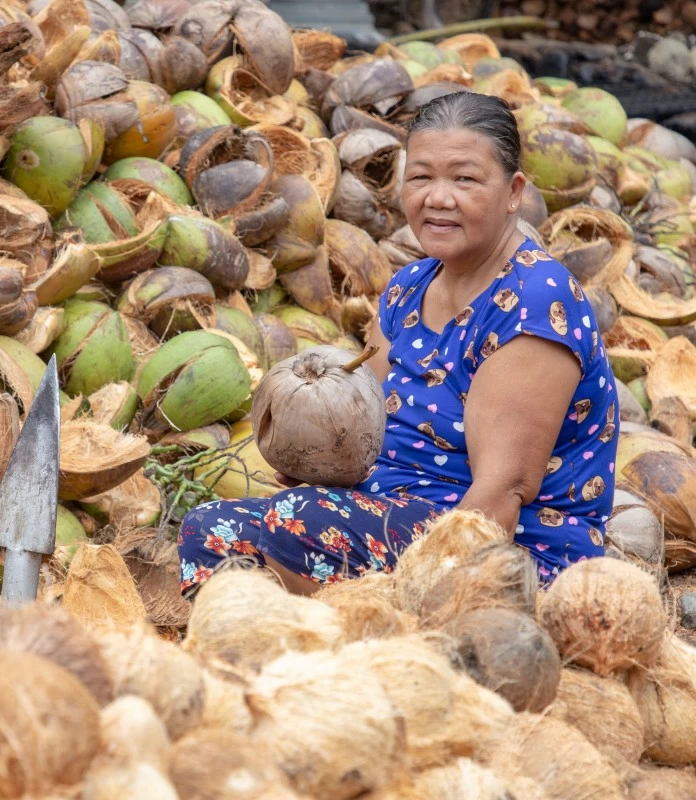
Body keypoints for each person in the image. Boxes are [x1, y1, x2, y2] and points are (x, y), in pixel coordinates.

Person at [178, 91, 619, 596]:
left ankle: (359, 633)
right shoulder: (409, 286)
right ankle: (288, 644)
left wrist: (427, 578)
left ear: (514, 191)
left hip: (510, 551)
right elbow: (360, 430)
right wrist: (313, 464)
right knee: (208, 526)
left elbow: (501, 496)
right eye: (421, 176)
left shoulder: (535, 301)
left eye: (465, 179)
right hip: (391, 513)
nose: (438, 197)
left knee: (296, 520)